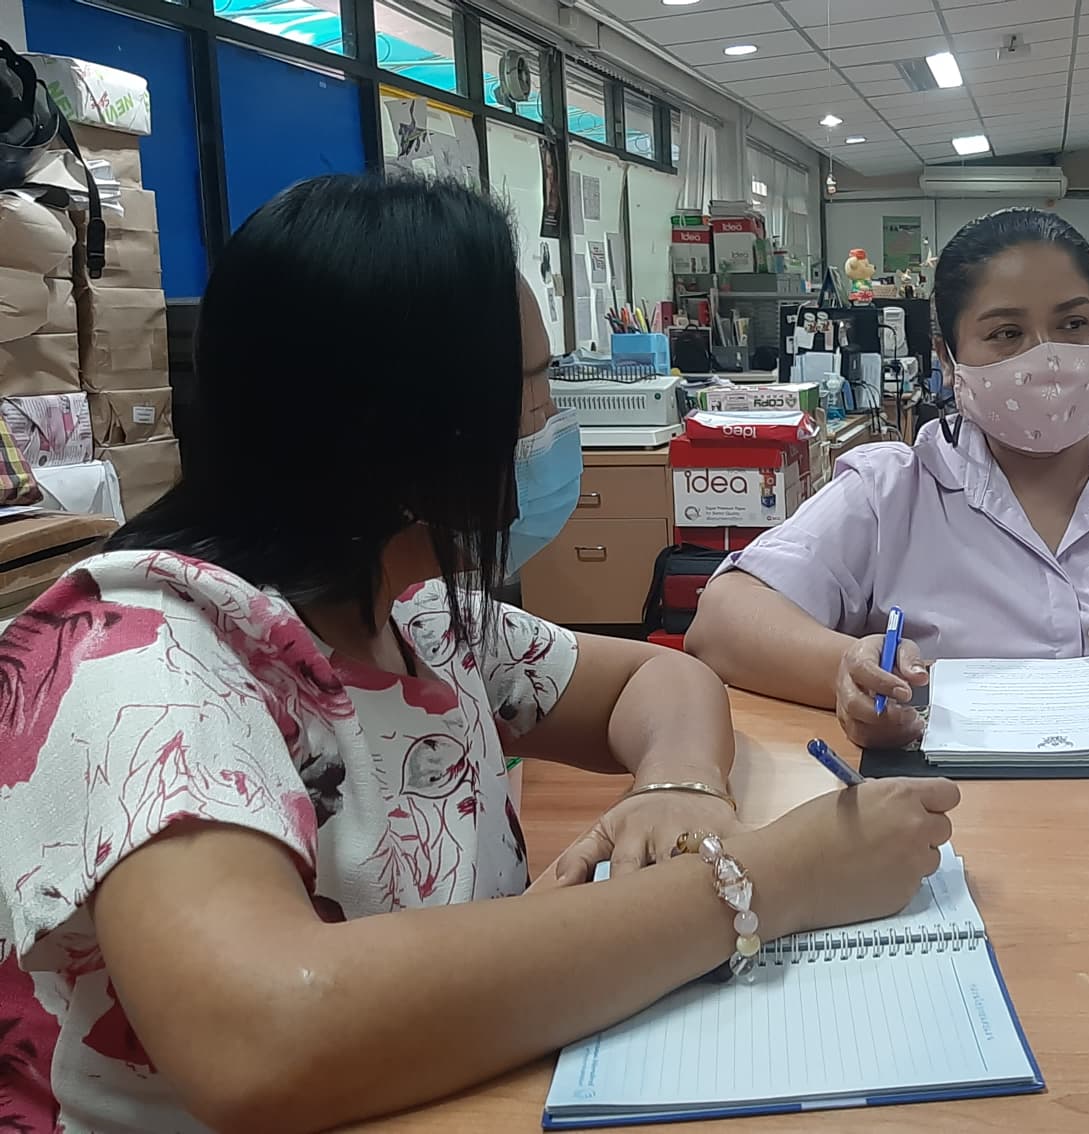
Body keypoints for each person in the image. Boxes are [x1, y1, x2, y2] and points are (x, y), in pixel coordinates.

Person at [0, 176, 959, 1134]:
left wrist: (680, 786)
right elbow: (260, 1035)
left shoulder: (414, 613)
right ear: (403, 425)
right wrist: (769, 882)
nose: (551, 425)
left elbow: (660, 676)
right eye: (534, 391)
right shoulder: (143, 662)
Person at [686, 208, 1089, 750]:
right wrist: (846, 668)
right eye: (1006, 334)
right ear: (948, 359)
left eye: (1073, 324)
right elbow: (722, 623)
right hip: (955, 820)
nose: (1047, 357)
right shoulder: (891, 492)